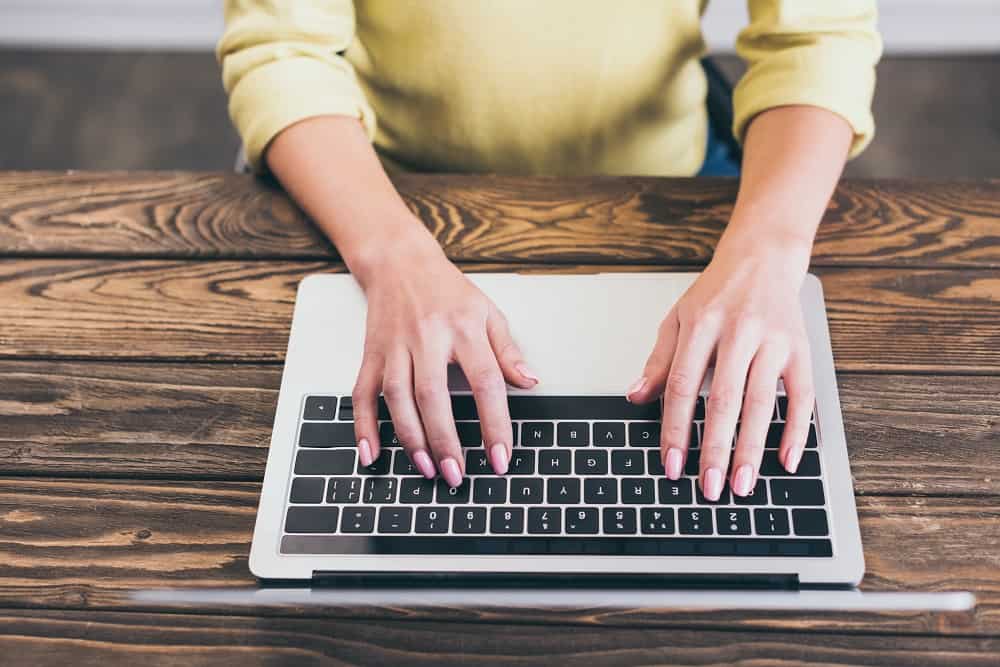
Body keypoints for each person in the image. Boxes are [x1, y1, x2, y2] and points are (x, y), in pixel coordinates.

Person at [217, 1, 881, 501]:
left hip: (677, 188)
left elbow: (817, 37)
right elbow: (283, 54)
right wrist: (390, 256)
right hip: (381, 192)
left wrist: (767, 251)